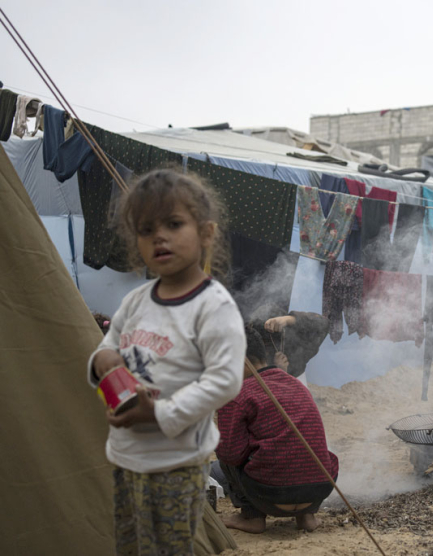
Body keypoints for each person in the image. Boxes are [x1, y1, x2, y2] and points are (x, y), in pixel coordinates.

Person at [87, 168, 245, 554]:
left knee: (170, 547)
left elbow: (225, 380)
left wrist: (158, 413)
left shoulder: (212, 306)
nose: (159, 236)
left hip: (177, 461)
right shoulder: (136, 301)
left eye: (174, 224)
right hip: (126, 456)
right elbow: (108, 346)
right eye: (145, 230)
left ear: (206, 233)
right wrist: (101, 361)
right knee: (131, 544)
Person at [213, 326, 338, 534]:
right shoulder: (297, 385)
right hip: (317, 491)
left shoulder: (238, 394)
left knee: (224, 451)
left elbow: (231, 455)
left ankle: (251, 517)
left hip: (271, 496)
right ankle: (306, 517)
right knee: (308, 453)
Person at [255, 309, 329, 379]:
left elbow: (324, 324)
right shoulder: (257, 354)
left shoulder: (296, 344)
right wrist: (279, 371)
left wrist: (290, 319)